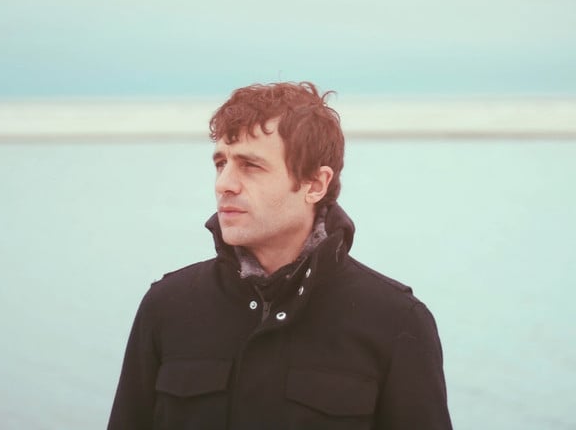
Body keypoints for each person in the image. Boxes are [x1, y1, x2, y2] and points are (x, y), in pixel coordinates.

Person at [108, 81, 453, 430]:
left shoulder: (396, 322)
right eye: (221, 163)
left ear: (315, 184)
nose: (224, 183)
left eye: (250, 166)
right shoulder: (166, 307)